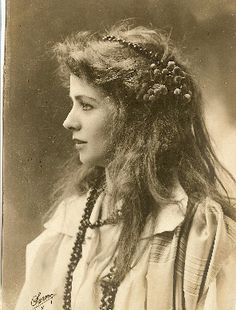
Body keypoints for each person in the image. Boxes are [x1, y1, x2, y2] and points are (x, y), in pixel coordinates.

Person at [15, 22, 236, 310]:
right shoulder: (69, 223)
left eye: (86, 105)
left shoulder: (196, 233)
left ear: (134, 120)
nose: (69, 121)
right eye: (73, 103)